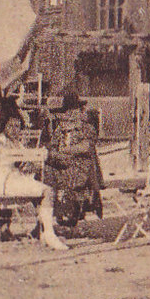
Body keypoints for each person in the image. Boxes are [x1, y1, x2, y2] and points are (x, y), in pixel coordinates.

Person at [0, 104, 69, 251]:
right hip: (4, 183)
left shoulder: (16, 142)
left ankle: (44, 231)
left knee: (46, 188)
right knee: (47, 191)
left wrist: (34, 161)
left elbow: (26, 159)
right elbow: (10, 156)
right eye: (11, 126)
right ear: (4, 126)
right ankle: (49, 234)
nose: (15, 129)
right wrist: (34, 155)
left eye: (18, 126)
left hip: (16, 179)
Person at [43, 92, 104, 230]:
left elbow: (86, 147)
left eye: (74, 110)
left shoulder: (86, 128)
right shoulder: (60, 129)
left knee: (55, 177)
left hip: (79, 166)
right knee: (42, 174)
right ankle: (45, 219)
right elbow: (52, 146)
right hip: (61, 163)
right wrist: (53, 153)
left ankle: (61, 213)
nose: (71, 114)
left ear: (79, 111)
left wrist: (64, 151)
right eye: (68, 111)